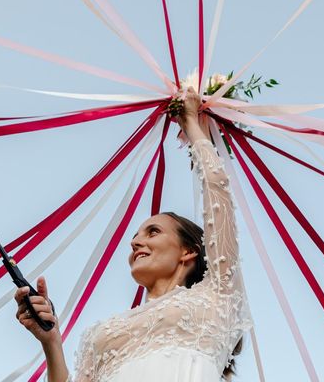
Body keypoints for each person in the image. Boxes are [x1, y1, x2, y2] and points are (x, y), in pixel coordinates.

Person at [15, 87, 252, 381]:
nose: (136, 241)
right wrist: (51, 342)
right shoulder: (98, 337)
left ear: (188, 250)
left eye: (153, 232)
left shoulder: (218, 297)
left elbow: (218, 193)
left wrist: (191, 123)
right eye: (137, 235)